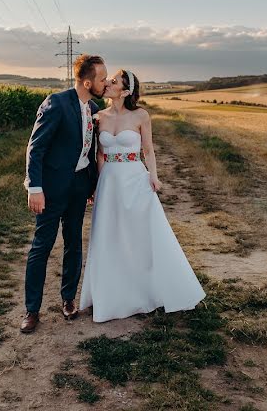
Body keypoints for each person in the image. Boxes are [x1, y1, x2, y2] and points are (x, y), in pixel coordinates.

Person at [78, 69, 205, 322]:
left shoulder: (140, 115)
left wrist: (153, 176)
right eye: (109, 80)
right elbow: (100, 155)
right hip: (109, 182)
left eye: (114, 81)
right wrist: (98, 185)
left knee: (138, 235)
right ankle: (110, 294)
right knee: (109, 235)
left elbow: (148, 149)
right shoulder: (98, 116)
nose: (109, 84)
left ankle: (144, 289)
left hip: (134, 178)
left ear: (125, 91)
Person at [21, 54, 108, 334]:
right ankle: (31, 310)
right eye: (102, 79)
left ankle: (68, 299)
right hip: (51, 189)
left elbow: (92, 150)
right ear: (87, 81)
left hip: (79, 187)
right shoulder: (56, 103)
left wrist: (92, 185)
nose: (105, 83)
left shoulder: (93, 107)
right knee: (42, 246)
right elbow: (35, 148)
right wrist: (35, 188)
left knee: (74, 243)